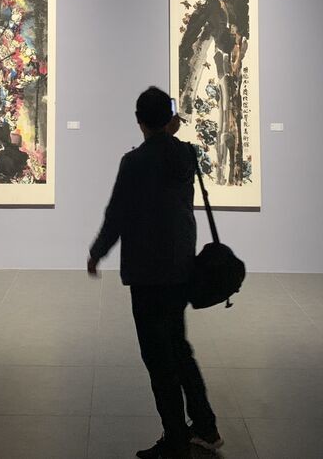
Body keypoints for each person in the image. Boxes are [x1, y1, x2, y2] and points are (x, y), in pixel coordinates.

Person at [88, 86, 222, 459]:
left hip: (147, 272)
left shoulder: (134, 162)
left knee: (158, 359)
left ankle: (176, 440)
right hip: (180, 268)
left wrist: (97, 252)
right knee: (179, 347)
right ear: (170, 119)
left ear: (138, 120)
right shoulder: (186, 155)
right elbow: (169, 149)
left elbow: (117, 214)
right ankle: (205, 427)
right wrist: (169, 130)